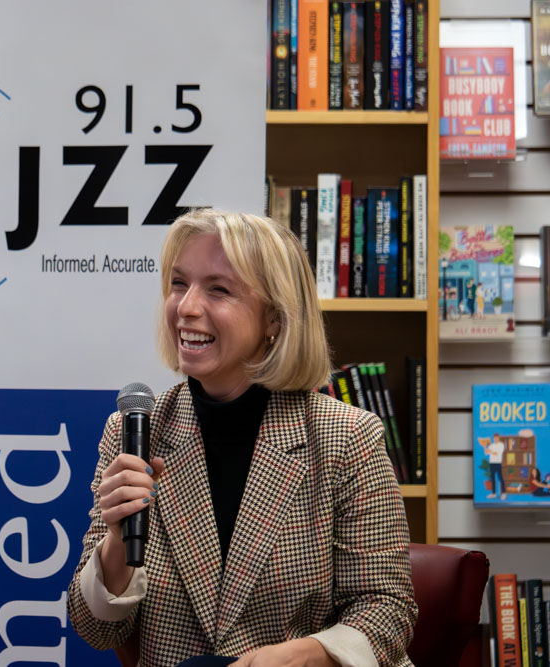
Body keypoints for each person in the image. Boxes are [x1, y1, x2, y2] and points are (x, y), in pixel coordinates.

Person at [67, 209, 417, 666]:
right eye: (179, 283)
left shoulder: (347, 437)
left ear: (274, 317)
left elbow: (388, 609)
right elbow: (94, 629)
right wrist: (117, 543)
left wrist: (306, 656)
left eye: (218, 289)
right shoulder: (134, 432)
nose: (186, 307)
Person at [484, 434, 506, 500]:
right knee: (492, 479)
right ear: (493, 438)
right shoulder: (491, 445)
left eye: (497, 438)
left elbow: (497, 453)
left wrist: (490, 451)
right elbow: (486, 453)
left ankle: (503, 493)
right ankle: (493, 494)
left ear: (499, 438)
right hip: (492, 463)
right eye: (495, 438)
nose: (496, 439)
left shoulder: (501, 445)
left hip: (498, 463)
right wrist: (484, 446)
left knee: (500, 478)